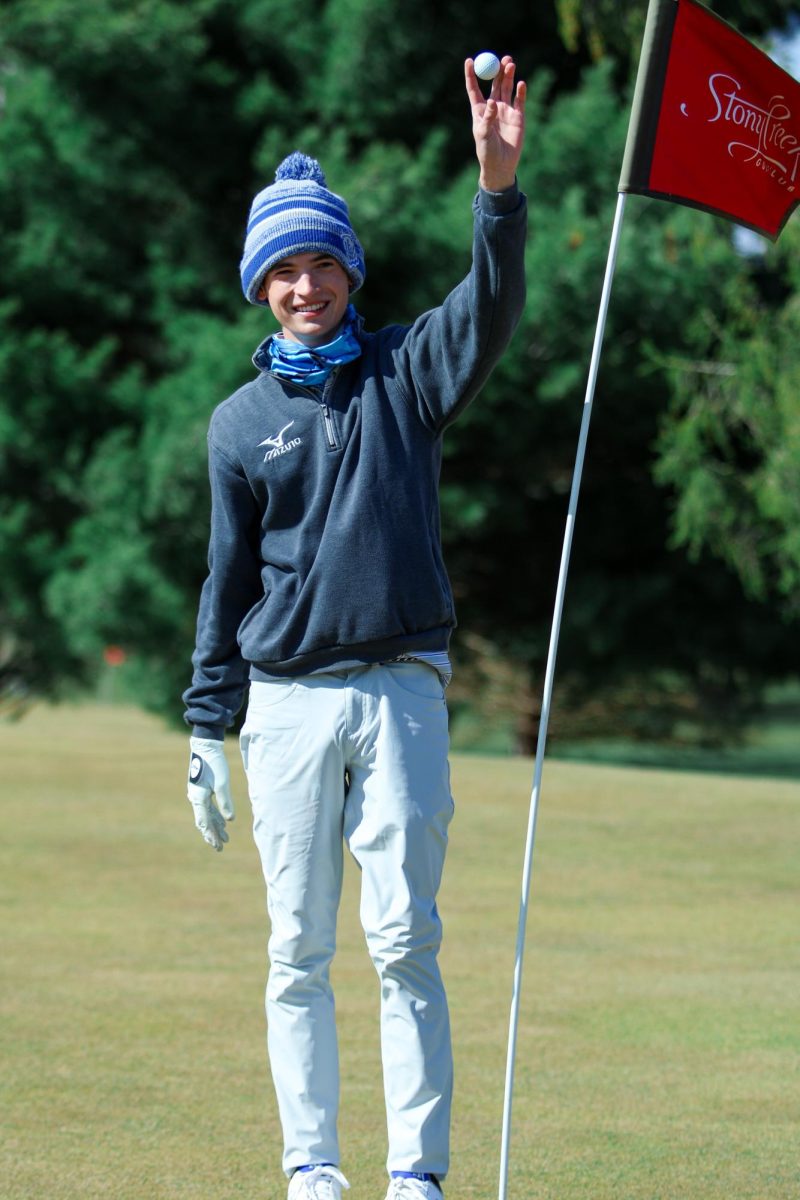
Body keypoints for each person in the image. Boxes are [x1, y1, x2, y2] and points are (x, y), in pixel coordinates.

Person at [183, 55, 527, 1200]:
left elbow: (486, 310)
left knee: (403, 943)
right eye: (281, 266)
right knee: (295, 951)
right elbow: (227, 583)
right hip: (282, 700)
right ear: (258, 284)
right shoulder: (238, 425)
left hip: (400, 689)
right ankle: (311, 1169)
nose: (303, 282)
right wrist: (203, 723)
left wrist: (496, 190)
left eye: (319, 259)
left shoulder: (404, 375)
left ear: (347, 270)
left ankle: (415, 1177)